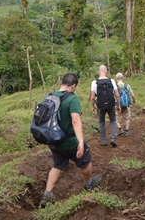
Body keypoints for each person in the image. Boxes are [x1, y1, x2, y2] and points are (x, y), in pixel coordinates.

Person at [40, 73, 101, 207]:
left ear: (62, 83)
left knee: (57, 165)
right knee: (85, 161)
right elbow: (75, 119)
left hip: (53, 141)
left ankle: (47, 194)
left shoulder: (49, 96)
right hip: (69, 141)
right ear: (73, 86)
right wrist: (80, 141)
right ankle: (89, 184)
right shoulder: (72, 99)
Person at [89, 65, 121, 148]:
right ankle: (113, 138)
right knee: (113, 120)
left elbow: (92, 97)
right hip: (111, 104)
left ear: (98, 72)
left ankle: (103, 141)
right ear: (106, 71)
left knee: (101, 122)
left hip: (100, 105)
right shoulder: (112, 81)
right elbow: (117, 94)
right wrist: (118, 105)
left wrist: (93, 106)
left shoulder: (94, 82)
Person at [115, 72, 136, 137]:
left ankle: (120, 129)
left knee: (116, 119)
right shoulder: (127, 86)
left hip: (118, 105)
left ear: (116, 78)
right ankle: (127, 131)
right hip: (126, 105)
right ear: (123, 78)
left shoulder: (115, 86)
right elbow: (132, 95)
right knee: (127, 118)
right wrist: (134, 100)